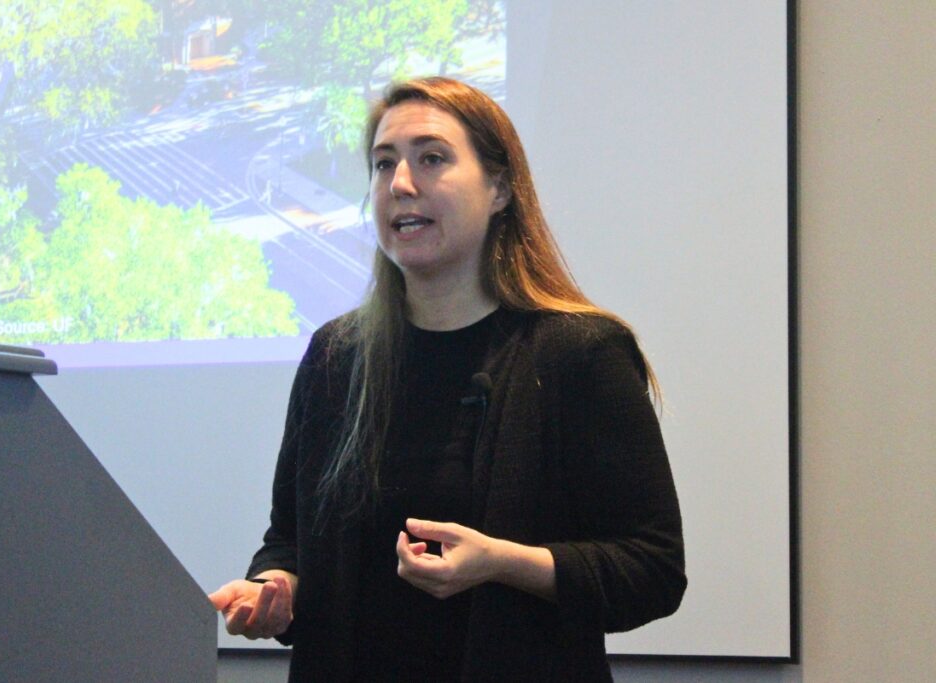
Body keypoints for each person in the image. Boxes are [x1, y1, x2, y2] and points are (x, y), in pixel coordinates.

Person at [209, 76, 686, 682]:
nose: (401, 185)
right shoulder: (337, 357)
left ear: (500, 188)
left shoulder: (580, 354)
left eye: (431, 159)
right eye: (384, 165)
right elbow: (289, 540)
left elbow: (653, 571)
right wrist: (274, 587)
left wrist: (502, 563)